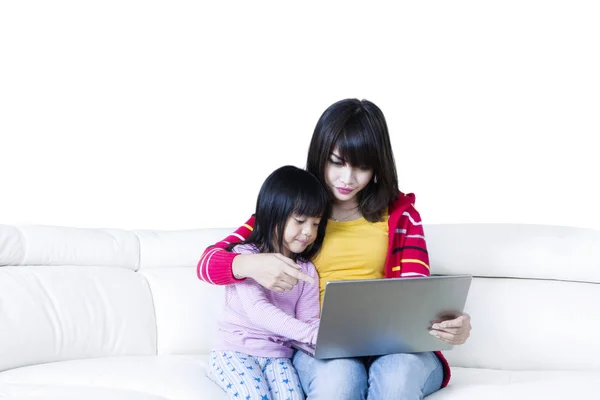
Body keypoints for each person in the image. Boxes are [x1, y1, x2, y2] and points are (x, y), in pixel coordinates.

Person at [198, 98, 472, 399]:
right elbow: (207, 263)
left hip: (397, 349)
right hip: (321, 345)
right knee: (338, 383)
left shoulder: (401, 216)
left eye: (363, 167)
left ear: (378, 166)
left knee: (395, 380)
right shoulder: (293, 210)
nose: (347, 179)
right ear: (320, 156)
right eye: (337, 162)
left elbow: (415, 297)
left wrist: (452, 325)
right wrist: (248, 265)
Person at [205, 165, 328, 400]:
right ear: (274, 215)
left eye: (315, 223)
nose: (308, 232)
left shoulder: (307, 270)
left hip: (278, 357)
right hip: (234, 351)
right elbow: (259, 312)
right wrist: (314, 334)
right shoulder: (246, 257)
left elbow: (308, 321)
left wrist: (328, 337)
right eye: (300, 221)